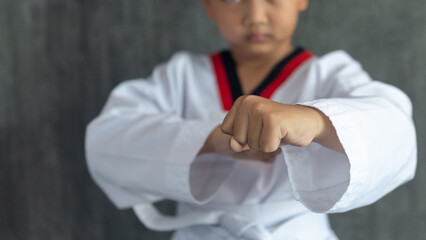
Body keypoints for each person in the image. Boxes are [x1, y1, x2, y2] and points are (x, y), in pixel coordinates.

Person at [84, 0, 417, 239]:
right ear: (208, 5)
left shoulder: (329, 74)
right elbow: (107, 141)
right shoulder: (180, 76)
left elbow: (396, 130)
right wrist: (212, 141)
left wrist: (315, 121)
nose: (256, 15)